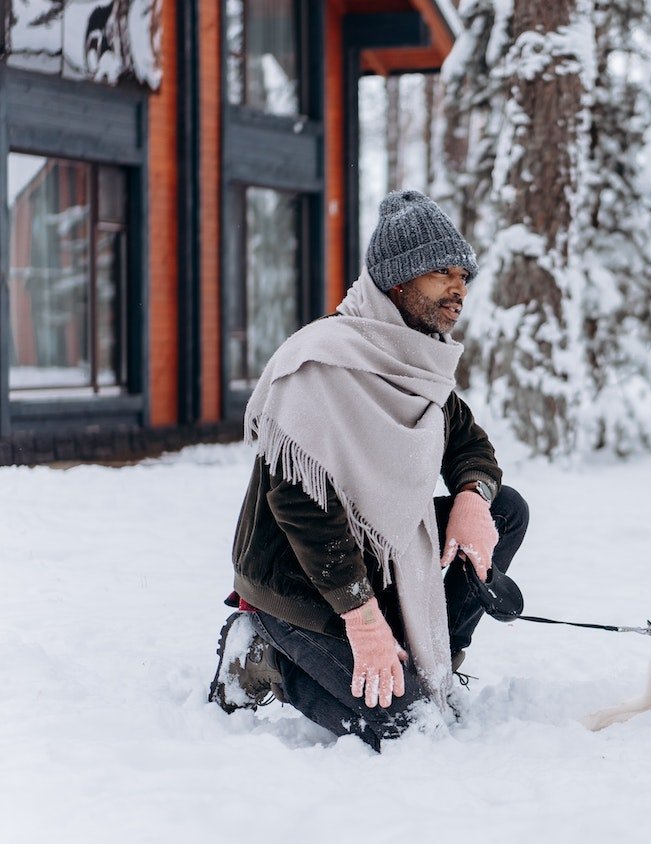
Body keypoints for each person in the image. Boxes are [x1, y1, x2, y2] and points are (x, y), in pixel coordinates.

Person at [208, 190, 529, 751]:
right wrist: (362, 620)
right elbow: (303, 511)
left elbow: (469, 444)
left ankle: (436, 659)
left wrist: (474, 497)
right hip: (301, 580)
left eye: (463, 275)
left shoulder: (418, 361)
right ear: (398, 282)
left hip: (377, 560)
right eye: (441, 274)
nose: (458, 288)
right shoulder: (322, 362)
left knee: (507, 510)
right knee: (403, 727)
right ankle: (260, 655)